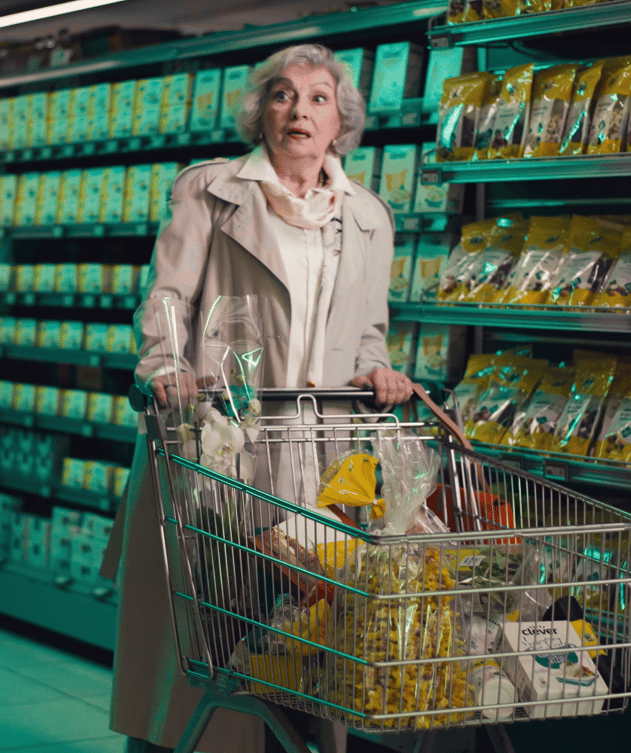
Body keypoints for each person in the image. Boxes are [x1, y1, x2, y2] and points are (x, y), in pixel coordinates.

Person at [98, 43, 412, 753]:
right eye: (282, 95)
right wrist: (165, 367)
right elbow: (169, 298)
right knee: (208, 641)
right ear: (260, 112)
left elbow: (367, 333)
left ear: (342, 122)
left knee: (306, 634)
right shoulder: (211, 191)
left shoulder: (368, 216)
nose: (299, 110)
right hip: (222, 438)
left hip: (319, 452)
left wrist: (380, 372)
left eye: (318, 98)